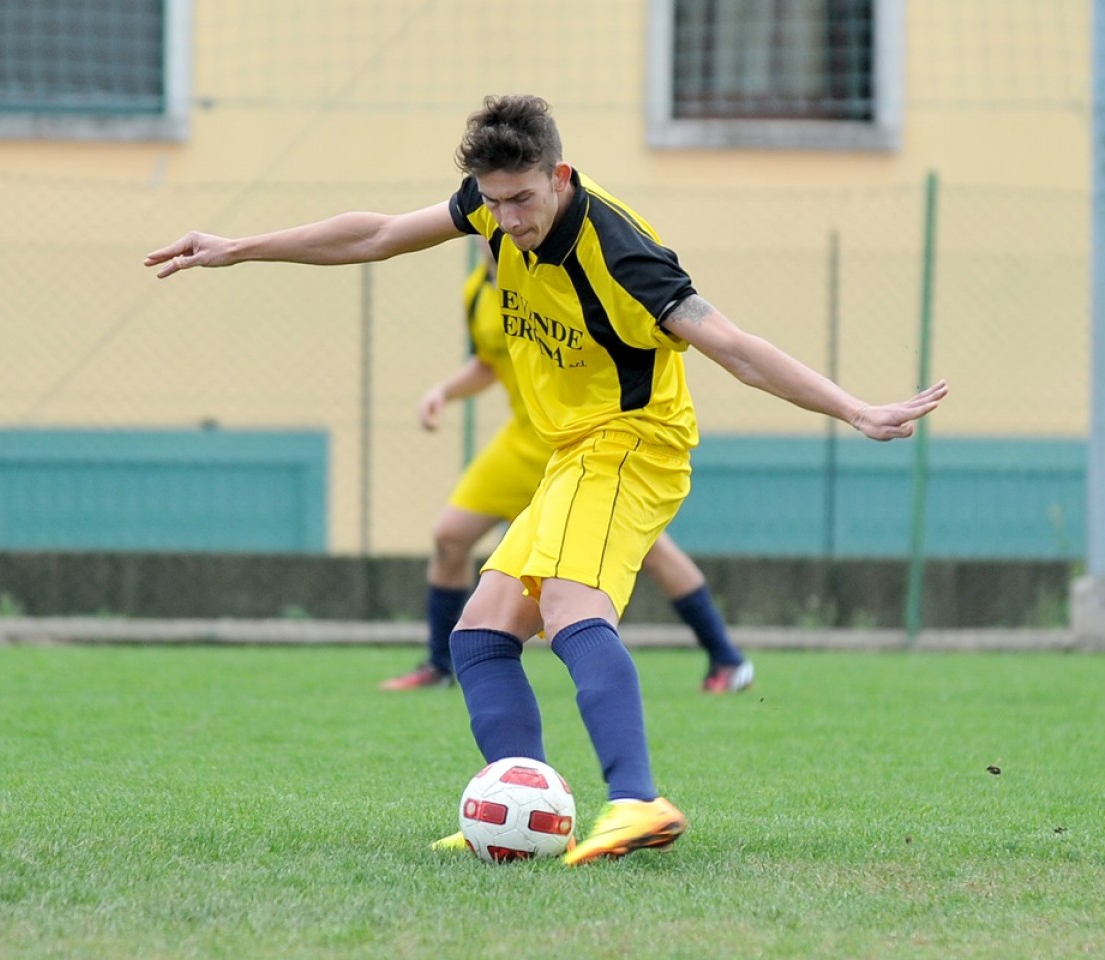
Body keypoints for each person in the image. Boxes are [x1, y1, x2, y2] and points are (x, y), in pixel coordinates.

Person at [146, 94, 946, 865]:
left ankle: (638, 800)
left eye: (524, 200)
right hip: (571, 451)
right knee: (481, 633)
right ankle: (521, 804)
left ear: (561, 177)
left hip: (636, 441)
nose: (510, 221)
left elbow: (732, 346)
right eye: (494, 204)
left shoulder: (621, 250)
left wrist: (854, 409)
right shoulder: (492, 209)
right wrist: (239, 247)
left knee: (568, 606)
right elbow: (380, 234)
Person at [381, 240, 754, 694]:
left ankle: (726, 659)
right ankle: (441, 665)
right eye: (487, 209)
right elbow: (489, 362)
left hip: (581, 439)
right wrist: (443, 391)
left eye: (512, 202)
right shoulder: (477, 289)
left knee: (652, 550)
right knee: (449, 537)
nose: (497, 221)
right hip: (521, 442)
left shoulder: (560, 274)